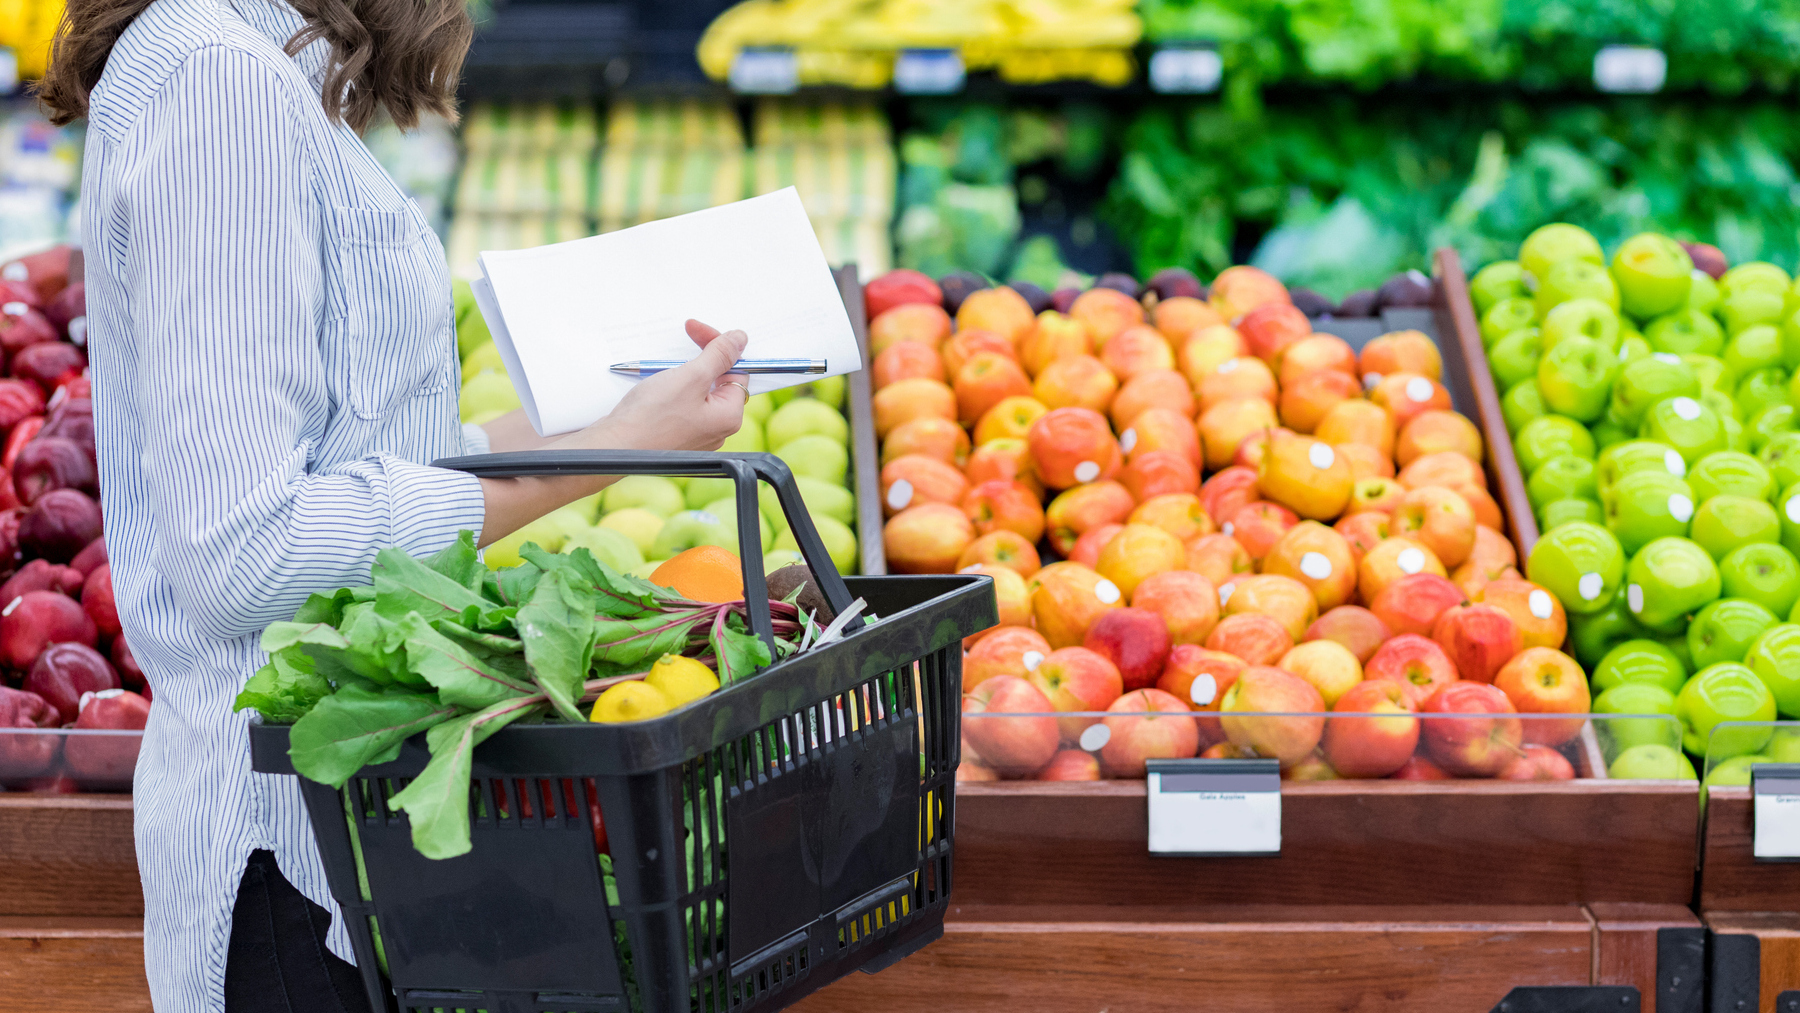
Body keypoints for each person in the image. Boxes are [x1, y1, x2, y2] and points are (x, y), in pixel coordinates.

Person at [37, 0, 750, 1008]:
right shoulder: (217, 81)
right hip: (294, 868)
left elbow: (370, 464)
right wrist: (613, 453)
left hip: (359, 854)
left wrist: (620, 424)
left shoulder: (257, 69)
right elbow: (247, 549)